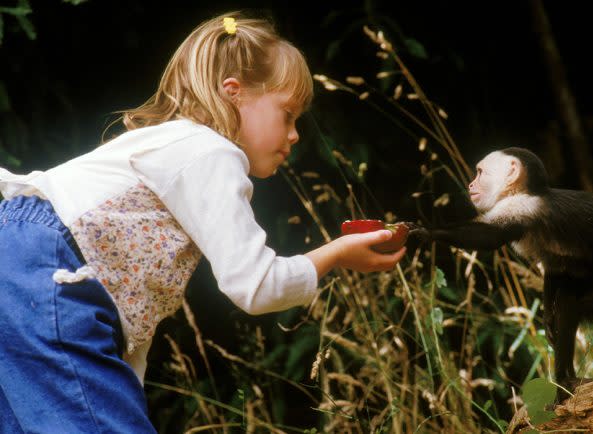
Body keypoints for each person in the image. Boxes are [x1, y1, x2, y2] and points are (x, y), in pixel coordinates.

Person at [0, 12, 405, 432]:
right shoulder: (210, 152)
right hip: (50, 271)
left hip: (22, 265)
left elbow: (118, 306)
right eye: (287, 114)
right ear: (234, 94)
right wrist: (335, 254)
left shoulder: (173, 146)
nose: (295, 134)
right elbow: (257, 285)